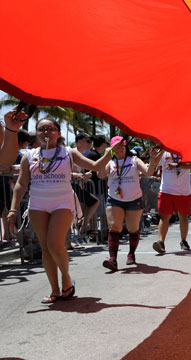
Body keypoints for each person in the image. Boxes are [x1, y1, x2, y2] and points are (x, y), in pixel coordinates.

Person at [7, 118, 123, 303]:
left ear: (58, 133)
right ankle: (55, 290)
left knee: (54, 243)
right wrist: (13, 209)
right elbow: (21, 183)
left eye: (50, 129)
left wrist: (111, 152)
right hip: (37, 204)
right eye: (41, 129)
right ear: (36, 133)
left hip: (63, 202)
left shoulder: (69, 152)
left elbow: (94, 166)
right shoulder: (29, 156)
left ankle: (66, 279)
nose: (46, 132)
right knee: (45, 248)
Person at [99, 137, 162, 271]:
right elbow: (100, 174)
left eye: (122, 147)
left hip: (134, 199)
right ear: (112, 149)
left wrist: (152, 159)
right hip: (114, 199)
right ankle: (113, 260)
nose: (120, 150)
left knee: (132, 229)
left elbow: (148, 172)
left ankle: (131, 254)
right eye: (116, 148)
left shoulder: (134, 160)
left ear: (126, 147)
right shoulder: (109, 162)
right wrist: (105, 158)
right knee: (114, 226)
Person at [152, 151, 191, 253]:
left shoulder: (186, 151)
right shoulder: (164, 153)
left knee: (183, 217)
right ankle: (161, 242)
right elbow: (154, 162)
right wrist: (161, 150)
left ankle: (183, 241)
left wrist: (177, 165)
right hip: (166, 190)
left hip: (183, 191)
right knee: (164, 216)